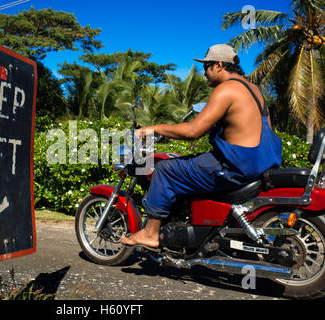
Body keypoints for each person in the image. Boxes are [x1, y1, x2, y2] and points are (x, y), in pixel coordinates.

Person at [121, 44, 282, 249]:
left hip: (236, 166)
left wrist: (152, 129)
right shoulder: (253, 90)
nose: (204, 72)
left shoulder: (226, 89)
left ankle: (150, 232)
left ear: (219, 65)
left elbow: (193, 131)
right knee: (195, 163)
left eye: (206, 66)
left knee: (165, 169)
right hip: (261, 163)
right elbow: (233, 126)